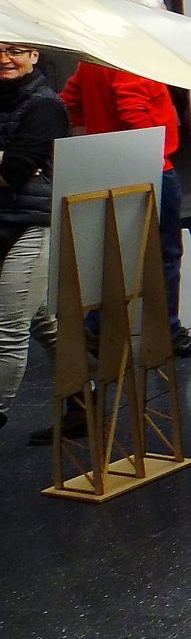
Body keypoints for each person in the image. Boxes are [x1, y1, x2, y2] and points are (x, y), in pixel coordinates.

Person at [59, 0, 191, 357]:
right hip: (149, 169)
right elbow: (133, 111)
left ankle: (97, 325)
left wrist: (99, 136)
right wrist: (152, 152)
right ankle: (167, 331)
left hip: (108, 166)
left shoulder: (93, 55)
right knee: (164, 255)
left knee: (113, 252)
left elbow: (69, 101)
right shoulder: (136, 56)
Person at [0, 41, 74, 444]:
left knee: (8, 328)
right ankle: (84, 401)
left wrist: (11, 164)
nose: (5, 59)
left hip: (30, 223)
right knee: (42, 318)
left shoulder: (44, 106)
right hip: (5, 220)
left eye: (15, 50)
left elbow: (14, 170)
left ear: (32, 56)